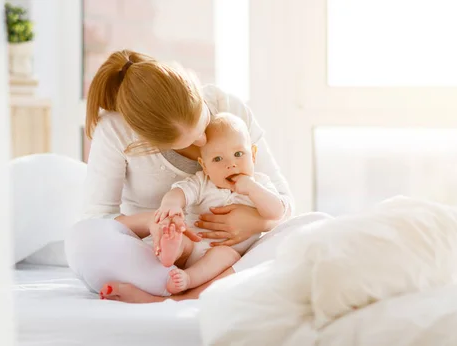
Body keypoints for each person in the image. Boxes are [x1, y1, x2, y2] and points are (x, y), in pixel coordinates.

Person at [64, 49, 294, 303]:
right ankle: (180, 285)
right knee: (81, 240)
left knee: (309, 229)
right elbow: (97, 220)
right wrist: (156, 222)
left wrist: (255, 222)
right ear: (148, 141)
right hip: (157, 253)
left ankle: (175, 297)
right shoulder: (116, 131)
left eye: (203, 123)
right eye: (187, 141)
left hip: (230, 256)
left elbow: (285, 205)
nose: (203, 140)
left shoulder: (231, 111)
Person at [152, 113, 286, 295]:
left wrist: (252, 189)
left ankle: (188, 278)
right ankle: (170, 250)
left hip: (221, 255)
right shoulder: (202, 182)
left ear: (253, 155)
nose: (231, 165)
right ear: (204, 165)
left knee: (227, 256)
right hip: (193, 243)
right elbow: (180, 191)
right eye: (217, 159)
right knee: (179, 234)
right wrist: (172, 204)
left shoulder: (260, 183)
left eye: (238, 154)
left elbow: (277, 212)